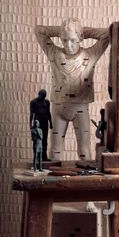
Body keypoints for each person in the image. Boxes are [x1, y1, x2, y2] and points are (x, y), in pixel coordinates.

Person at [35, 18, 110, 160]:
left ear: (80, 38)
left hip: (80, 108)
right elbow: (39, 30)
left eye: (73, 40)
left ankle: (86, 180)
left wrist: (80, 30)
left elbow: (107, 34)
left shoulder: (90, 55)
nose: (68, 45)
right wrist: (64, 30)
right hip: (59, 108)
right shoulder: (54, 54)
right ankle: (53, 181)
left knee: (84, 150)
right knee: (55, 151)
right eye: (64, 40)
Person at [30, 89, 53, 161]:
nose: (43, 98)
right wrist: (30, 124)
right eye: (42, 96)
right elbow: (31, 114)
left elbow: (48, 113)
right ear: (39, 94)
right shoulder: (33, 102)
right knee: (37, 140)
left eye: (44, 96)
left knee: (44, 140)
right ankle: (37, 157)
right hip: (37, 123)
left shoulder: (47, 102)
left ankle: (44, 156)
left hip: (45, 122)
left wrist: (51, 123)